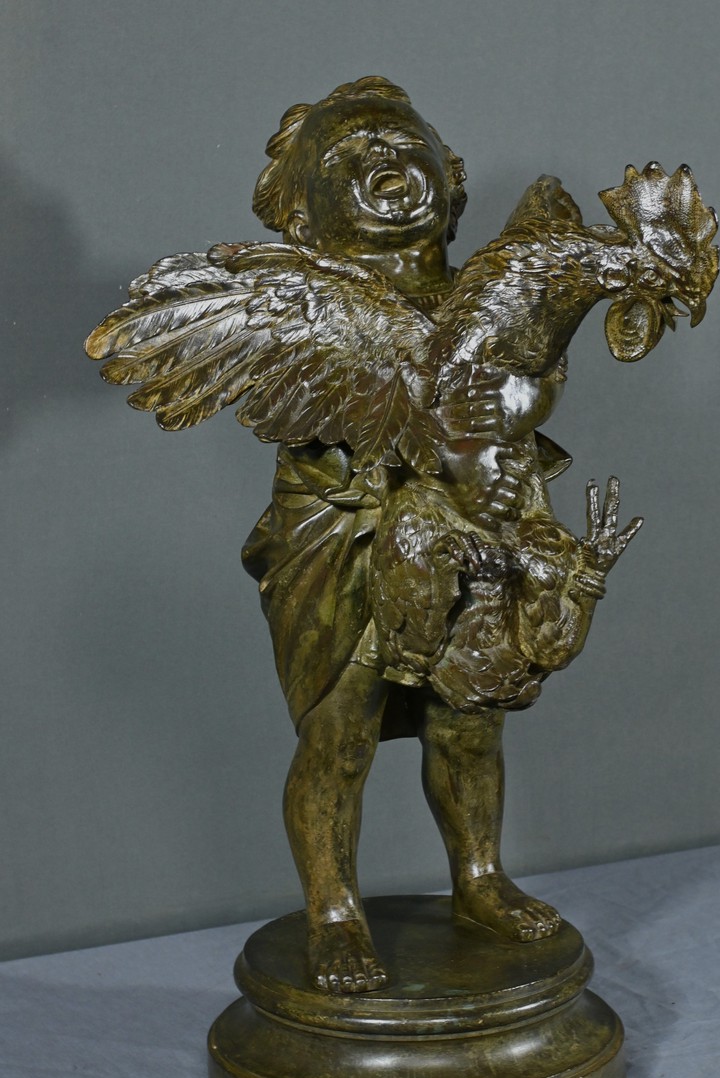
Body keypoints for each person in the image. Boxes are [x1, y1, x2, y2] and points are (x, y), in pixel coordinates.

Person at [241, 77, 566, 994]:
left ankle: (480, 877)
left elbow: (534, 381)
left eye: (400, 141)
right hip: (344, 525)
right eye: (349, 154)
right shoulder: (298, 306)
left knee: (470, 720)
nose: (383, 157)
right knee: (339, 728)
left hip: (479, 516)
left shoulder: (490, 293)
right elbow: (301, 405)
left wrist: (520, 394)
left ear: (451, 184)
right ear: (302, 218)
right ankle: (333, 910)